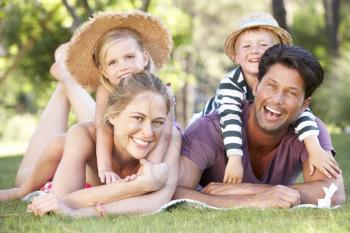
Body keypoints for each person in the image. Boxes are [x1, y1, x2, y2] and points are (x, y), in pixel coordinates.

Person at [0, 10, 173, 201]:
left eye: (130, 57)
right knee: (63, 142)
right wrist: (105, 167)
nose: (123, 66)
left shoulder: (155, 91)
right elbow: (102, 128)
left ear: (145, 58)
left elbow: (164, 135)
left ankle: (65, 71)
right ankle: (65, 71)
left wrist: (148, 169)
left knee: (70, 134)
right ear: (103, 71)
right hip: (83, 156)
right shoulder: (105, 90)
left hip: (114, 155)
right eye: (113, 62)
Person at [175, 44, 345, 208]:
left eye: (292, 93)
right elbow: (175, 193)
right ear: (256, 87)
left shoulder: (310, 133)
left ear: (304, 105)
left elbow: (333, 192)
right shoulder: (209, 128)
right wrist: (252, 202)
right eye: (271, 86)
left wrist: (243, 190)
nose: (277, 100)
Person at [189, 12, 340, 184]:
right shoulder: (230, 84)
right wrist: (235, 159)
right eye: (246, 46)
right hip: (215, 130)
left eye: (263, 45)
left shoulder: (284, 84)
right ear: (236, 56)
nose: (255, 51)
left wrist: (314, 148)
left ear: (276, 53)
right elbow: (230, 119)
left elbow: (302, 113)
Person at [26, 72, 181, 217]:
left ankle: (67, 78)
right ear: (113, 116)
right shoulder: (83, 135)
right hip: (50, 167)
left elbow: (158, 200)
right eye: (138, 118)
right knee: (37, 166)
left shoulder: (170, 137)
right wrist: (137, 186)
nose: (148, 132)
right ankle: (65, 75)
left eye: (158, 122)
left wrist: (84, 214)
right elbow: (61, 198)